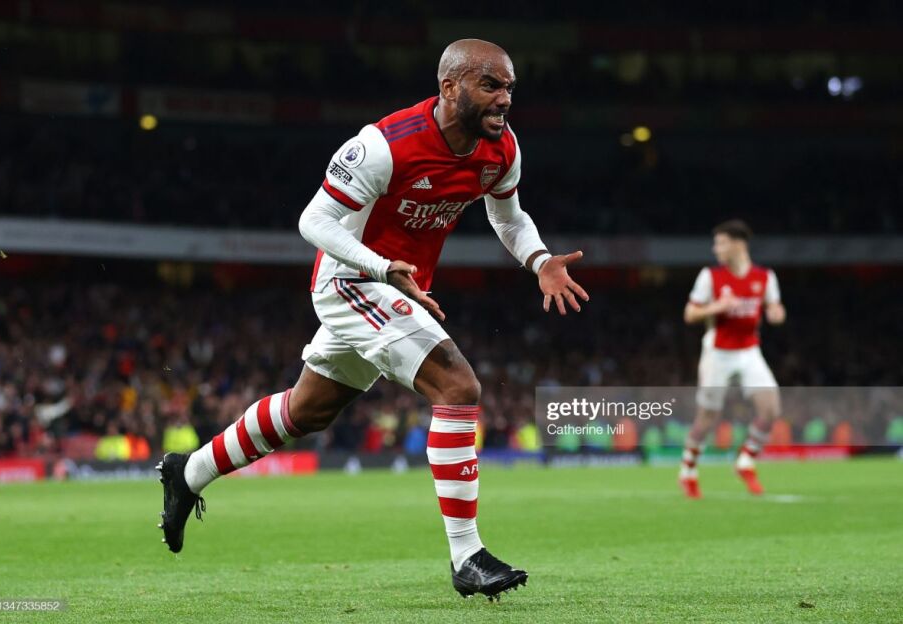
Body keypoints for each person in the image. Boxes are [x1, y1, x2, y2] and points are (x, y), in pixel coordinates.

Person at [157, 39, 589, 600]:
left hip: (398, 286)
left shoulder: (501, 148)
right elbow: (314, 221)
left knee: (307, 410)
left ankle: (187, 473)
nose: (504, 99)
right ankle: (467, 556)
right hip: (351, 280)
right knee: (458, 385)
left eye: (509, 87)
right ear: (449, 87)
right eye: (490, 85)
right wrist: (381, 267)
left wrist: (540, 260)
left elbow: (508, 217)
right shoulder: (384, 145)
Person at [679, 219, 785, 498]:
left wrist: (776, 314)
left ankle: (746, 460)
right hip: (718, 352)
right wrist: (717, 306)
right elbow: (690, 313)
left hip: (749, 350)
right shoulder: (710, 277)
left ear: (738, 244)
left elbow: (775, 307)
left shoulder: (765, 277)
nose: (716, 249)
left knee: (771, 409)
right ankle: (688, 470)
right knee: (707, 417)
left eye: (721, 243)